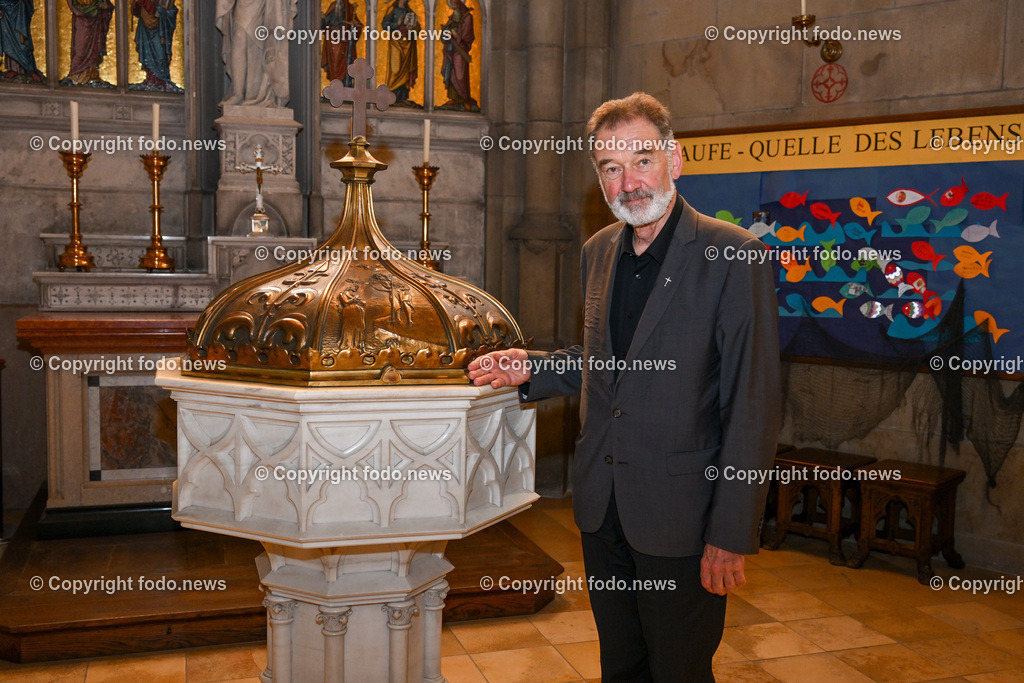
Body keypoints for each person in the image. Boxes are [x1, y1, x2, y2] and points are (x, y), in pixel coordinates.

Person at [468, 92, 781, 681]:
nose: (629, 182)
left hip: (682, 517)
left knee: (679, 671)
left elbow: (754, 405)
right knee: (621, 667)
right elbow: (608, 364)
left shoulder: (734, 256)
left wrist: (731, 534)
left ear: (674, 160)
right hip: (603, 508)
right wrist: (532, 367)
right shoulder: (599, 251)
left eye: (641, 160)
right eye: (611, 167)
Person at [130, 0, 181, 92]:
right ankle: (151, 79)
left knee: (160, 54)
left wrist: (162, 11)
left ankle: (161, 80)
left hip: (160, 29)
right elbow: (136, 6)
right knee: (147, 53)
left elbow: (170, 9)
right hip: (145, 26)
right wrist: (140, 8)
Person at [438, 0, 477, 112]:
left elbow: (468, 36)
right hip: (450, 51)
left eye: (455, 5)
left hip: (460, 51)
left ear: (460, 5)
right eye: (452, 5)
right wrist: (446, 33)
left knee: (460, 75)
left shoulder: (467, 17)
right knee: (451, 73)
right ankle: (454, 99)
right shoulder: (452, 18)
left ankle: (464, 99)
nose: (453, 7)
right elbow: (445, 32)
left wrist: (457, 36)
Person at [63, 0, 114, 86]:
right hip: (81, 17)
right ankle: (76, 75)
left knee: (94, 48)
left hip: (96, 18)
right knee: (80, 48)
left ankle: (92, 76)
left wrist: (105, 6)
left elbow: (106, 4)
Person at [381, 0, 419, 106]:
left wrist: (412, 28)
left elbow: (417, 28)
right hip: (396, 43)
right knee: (395, 69)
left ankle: (403, 97)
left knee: (405, 71)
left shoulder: (409, 11)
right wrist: (396, 24)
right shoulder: (392, 10)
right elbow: (385, 25)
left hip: (408, 43)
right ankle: (392, 95)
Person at [0, 0, 43, 82]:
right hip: (5, 10)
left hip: (19, 10)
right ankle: (13, 68)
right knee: (8, 41)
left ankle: (30, 69)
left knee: (21, 41)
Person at [321, 0, 362, 87]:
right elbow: (323, 24)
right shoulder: (333, 6)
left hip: (344, 44)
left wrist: (354, 26)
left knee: (345, 66)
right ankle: (335, 88)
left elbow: (358, 26)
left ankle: (345, 86)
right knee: (334, 67)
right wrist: (322, 19)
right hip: (333, 43)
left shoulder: (349, 8)